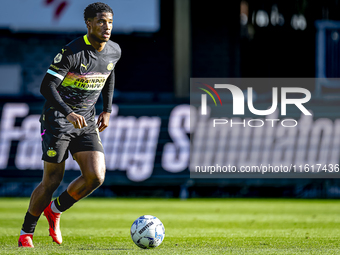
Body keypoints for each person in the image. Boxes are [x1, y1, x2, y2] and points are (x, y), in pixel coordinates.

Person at [18, 2, 121, 248]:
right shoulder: (72, 52)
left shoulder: (114, 50)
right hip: (58, 121)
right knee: (52, 181)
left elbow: (109, 73)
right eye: (100, 22)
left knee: (95, 177)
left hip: (86, 123)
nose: (106, 27)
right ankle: (26, 232)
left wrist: (107, 110)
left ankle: (55, 210)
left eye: (109, 22)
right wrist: (68, 112)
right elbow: (47, 86)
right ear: (89, 24)